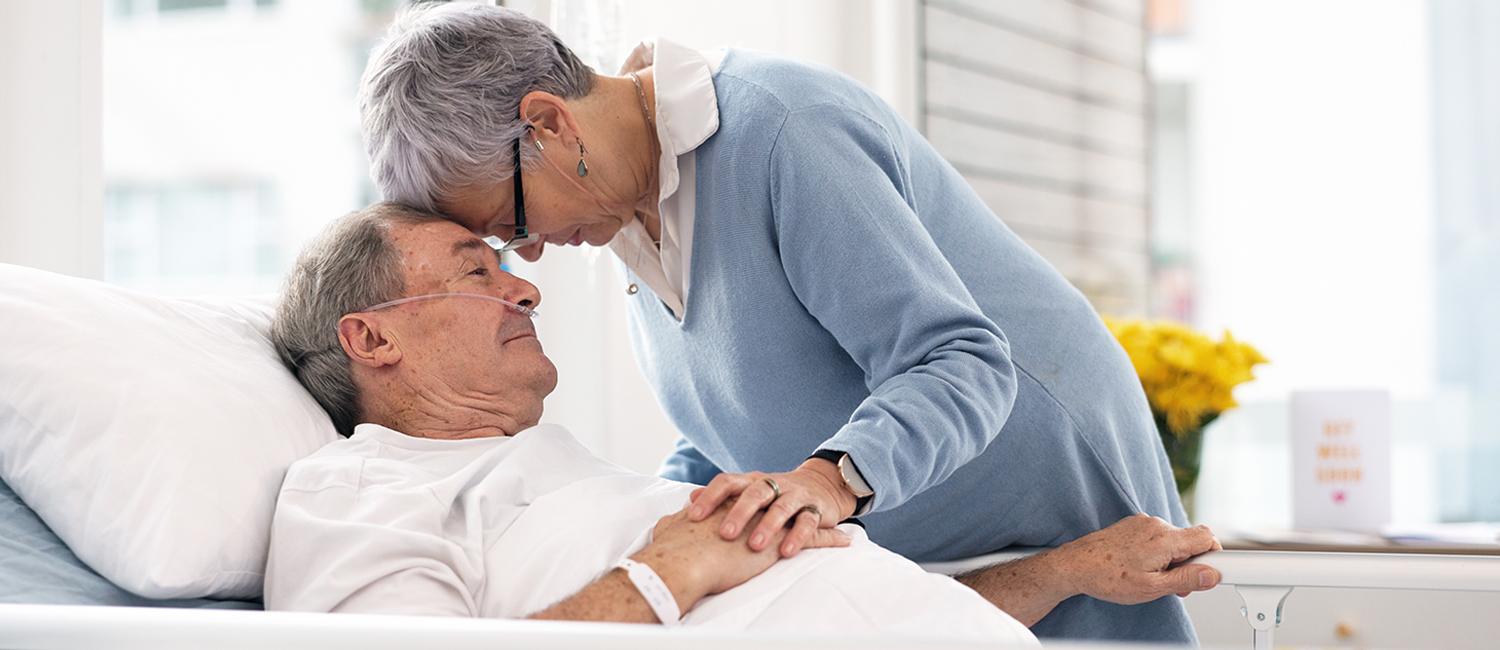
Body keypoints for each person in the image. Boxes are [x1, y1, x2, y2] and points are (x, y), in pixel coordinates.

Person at [357, 4, 1200, 642]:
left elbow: (964, 361)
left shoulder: (781, 132)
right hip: (908, 546)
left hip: (1044, 501)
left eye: (514, 223)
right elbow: (738, 417)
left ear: (549, 123)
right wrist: (670, 509)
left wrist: (824, 484)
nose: (530, 259)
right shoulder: (625, 217)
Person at [264, 203, 1219, 637]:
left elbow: (825, 612)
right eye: (478, 271)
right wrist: (668, 571)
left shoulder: (594, 483)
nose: (525, 287)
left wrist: (1069, 571)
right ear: (371, 339)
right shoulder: (357, 491)